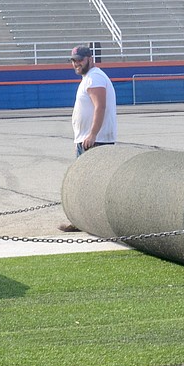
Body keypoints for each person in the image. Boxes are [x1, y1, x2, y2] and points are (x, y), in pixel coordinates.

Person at [59, 44, 117, 232]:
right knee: (85, 184)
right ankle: (83, 221)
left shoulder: (95, 78)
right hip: (88, 140)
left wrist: (92, 134)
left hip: (94, 141)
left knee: (89, 184)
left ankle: (90, 222)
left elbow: (100, 106)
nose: (76, 64)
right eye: (74, 61)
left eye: (80, 60)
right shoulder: (89, 78)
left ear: (90, 58)